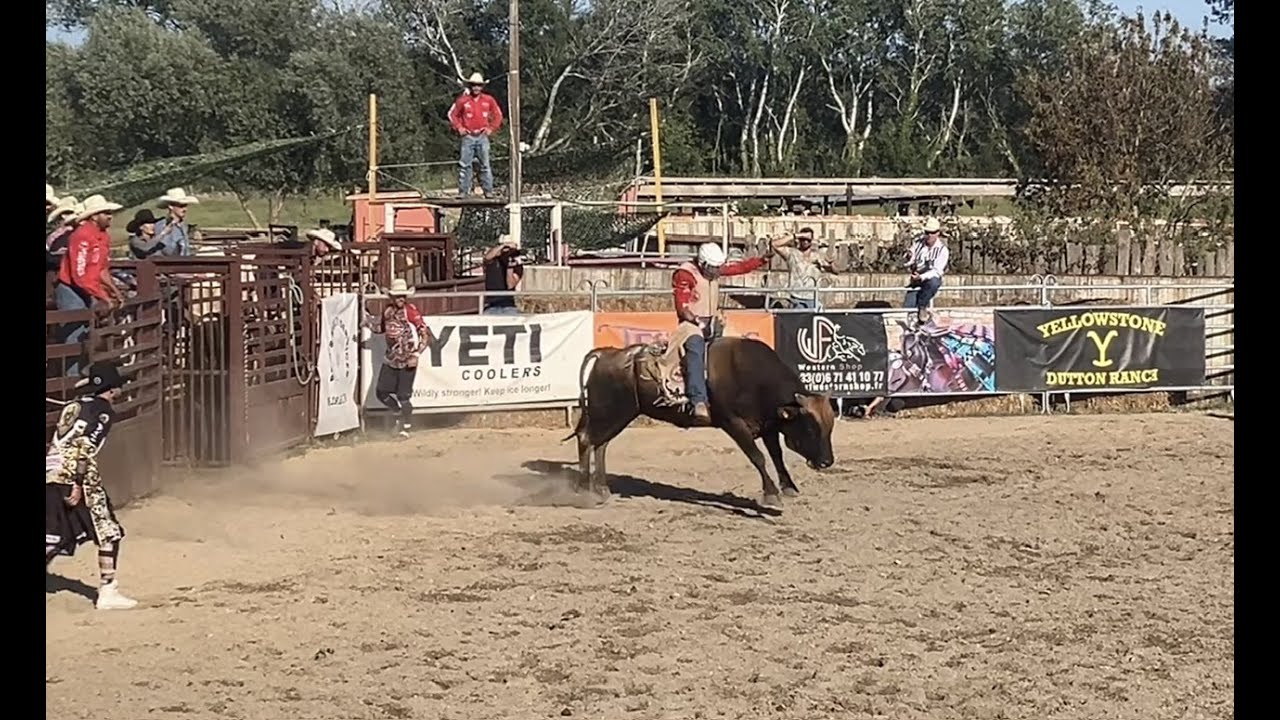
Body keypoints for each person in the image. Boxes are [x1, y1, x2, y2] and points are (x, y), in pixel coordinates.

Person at [45, 361, 138, 610]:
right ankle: (108, 591)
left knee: (53, 536)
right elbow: (85, 447)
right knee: (108, 530)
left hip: (51, 472)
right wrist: (77, 482)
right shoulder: (103, 411)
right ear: (112, 388)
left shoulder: (74, 405)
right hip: (77, 476)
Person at [672, 242, 774, 423]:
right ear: (703, 264)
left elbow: (738, 268)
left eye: (718, 268)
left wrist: (761, 261)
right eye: (714, 268)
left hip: (713, 319)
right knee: (695, 349)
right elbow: (682, 307)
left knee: (738, 345)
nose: (717, 272)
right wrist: (697, 321)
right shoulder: (685, 273)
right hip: (691, 323)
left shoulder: (713, 269)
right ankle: (698, 401)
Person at [56, 195, 127, 376]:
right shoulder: (81, 236)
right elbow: (79, 275)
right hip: (71, 289)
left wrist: (115, 293)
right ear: (94, 216)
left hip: (85, 287)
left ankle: (83, 376)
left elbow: (101, 269)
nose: (110, 216)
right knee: (75, 334)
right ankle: (72, 380)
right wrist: (104, 296)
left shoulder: (102, 236)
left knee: (87, 332)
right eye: (106, 213)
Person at [368, 278, 431, 438]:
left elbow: (424, 332)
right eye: (397, 296)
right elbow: (380, 328)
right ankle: (398, 414)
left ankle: (406, 425)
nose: (400, 299)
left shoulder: (411, 311)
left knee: (403, 395)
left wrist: (416, 354)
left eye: (402, 296)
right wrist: (367, 322)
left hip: (407, 359)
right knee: (381, 392)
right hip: (391, 359)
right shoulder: (387, 312)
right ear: (392, 297)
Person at [448, 72, 504, 198]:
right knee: (464, 165)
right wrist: (459, 128)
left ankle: (488, 191)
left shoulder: (488, 100)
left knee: (485, 164)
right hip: (468, 136)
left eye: (478, 85)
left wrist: (491, 128)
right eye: (474, 85)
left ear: (482, 87)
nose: (476, 88)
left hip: (482, 135)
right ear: (470, 86)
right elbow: (453, 115)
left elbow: (498, 115)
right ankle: (463, 191)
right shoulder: (463, 100)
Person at [771, 227, 839, 309]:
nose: (805, 242)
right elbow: (775, 244)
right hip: (796, 298)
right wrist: (797, 235)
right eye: (803, 239)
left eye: (808, 240)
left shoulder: (818, 256)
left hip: (813, 297)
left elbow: (836, 271)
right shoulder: (791, 253)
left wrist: (829, 266)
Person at [903, 217, 950, 324]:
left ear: (938, 233)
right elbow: (909, 261)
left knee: (934, 281)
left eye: (932, 233)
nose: (929, 235)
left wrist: (922, 277)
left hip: (929, 279)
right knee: (907, 308)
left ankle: (922, 306)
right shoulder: (917, 244)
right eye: (927, 232)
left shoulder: (943, 250)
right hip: (916, 277)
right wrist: (908, 257)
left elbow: (937, 271)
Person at [151, 187, 200, 257]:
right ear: (171, 206)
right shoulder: (162, 226)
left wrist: (195, 245)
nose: (185, 209)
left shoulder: (184, 226)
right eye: (181, 206)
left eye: (185, 205)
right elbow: (167, 250)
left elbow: (187, 252)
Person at [482, 237, 523, 315]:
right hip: (491, 305)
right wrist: (503, 246)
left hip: (508, 305)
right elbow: (487, 257)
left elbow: (510, 285)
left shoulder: (517, 266)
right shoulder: (492, 261)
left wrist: (510, 267)